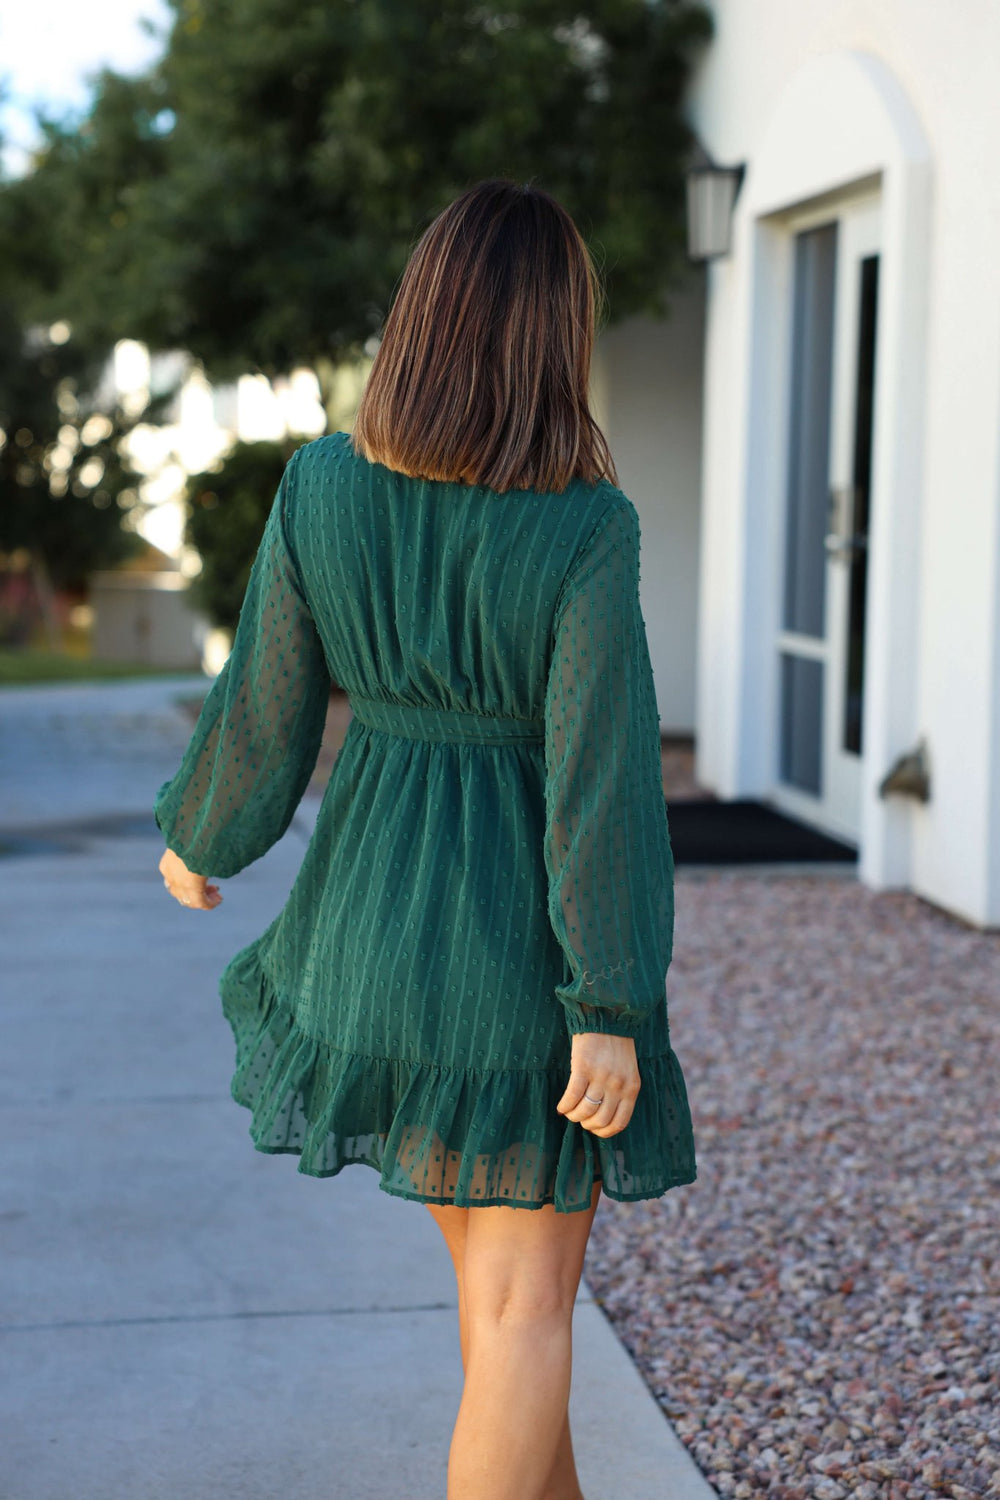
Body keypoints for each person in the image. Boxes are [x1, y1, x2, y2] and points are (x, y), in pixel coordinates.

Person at [154, 177, 697, 1500]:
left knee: (498, 1303)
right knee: (526, 1314)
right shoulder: (584, 525)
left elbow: (267, 702)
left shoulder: (323, 487)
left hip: (364, 938)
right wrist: (610, 1003)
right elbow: (599, 781)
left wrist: (202, 836)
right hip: (513, 962)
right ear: (551, 337)